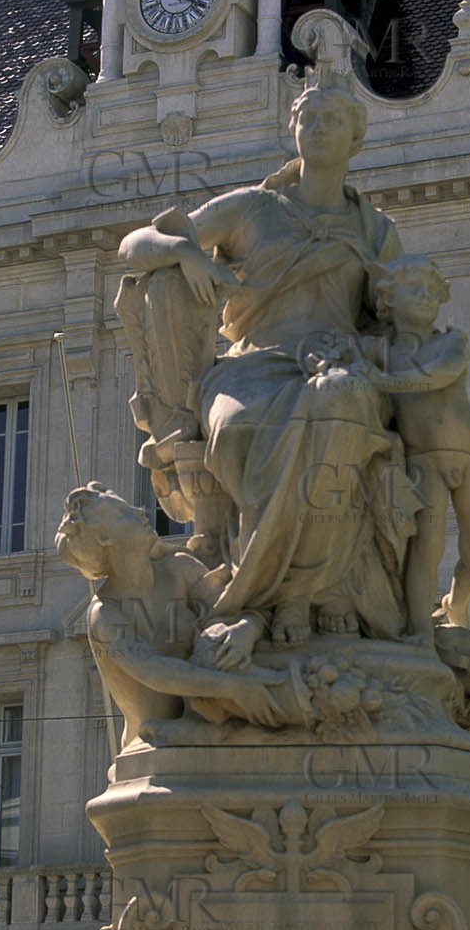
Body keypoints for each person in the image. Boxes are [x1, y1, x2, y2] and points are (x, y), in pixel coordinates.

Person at [117, 79, 417, 661]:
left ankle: (308, 590)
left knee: (344, 401)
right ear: (294, 130)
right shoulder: (254, 207)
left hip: (338, 363)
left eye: (334, 119)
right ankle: (268, 591)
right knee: (238, 427)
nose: (320, 126)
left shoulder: (376, 230)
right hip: (252, 366)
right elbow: (136, 245)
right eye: (310, 117)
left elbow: (403, 316)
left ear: (356, 138)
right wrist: (182, 251)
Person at [55, 484, 307, 745]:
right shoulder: (105, 614)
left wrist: (248, 629)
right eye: (123, 513)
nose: (140, 511)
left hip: (216, 710)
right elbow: (154, 671)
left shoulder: (179, 568)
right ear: (105, 538)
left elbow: (233, 609)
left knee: (238, 646)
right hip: (154, 746)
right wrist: (236, 688)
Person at [366, 254, 470, 637]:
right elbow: (347, 365)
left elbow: (442, 374)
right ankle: (421, 631)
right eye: (414, 290)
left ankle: (455, 605)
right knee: (427, 550)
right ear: (389, 299)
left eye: (431, 291)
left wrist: (385, 382)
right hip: (423, 461)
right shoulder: (380, 351)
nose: (426, 297)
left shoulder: (452, 340)